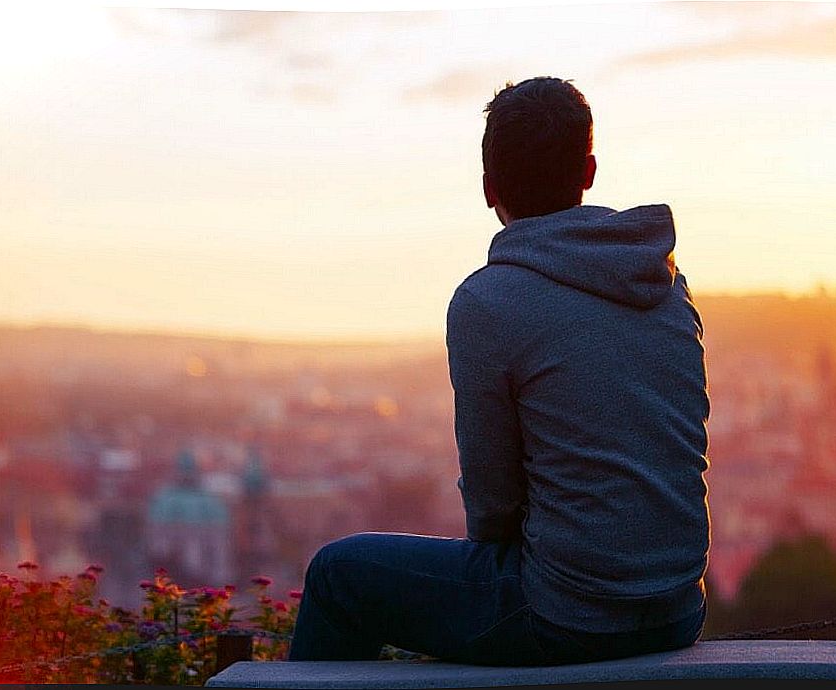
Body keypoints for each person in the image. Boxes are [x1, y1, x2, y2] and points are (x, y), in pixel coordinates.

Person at [288, 76, 711, 666]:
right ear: (588, 170)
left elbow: (491, 501)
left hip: (566, 616)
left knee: (338, 575)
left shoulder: (489, 303)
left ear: (489, 189)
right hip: (679, 611)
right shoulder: (667, 285)